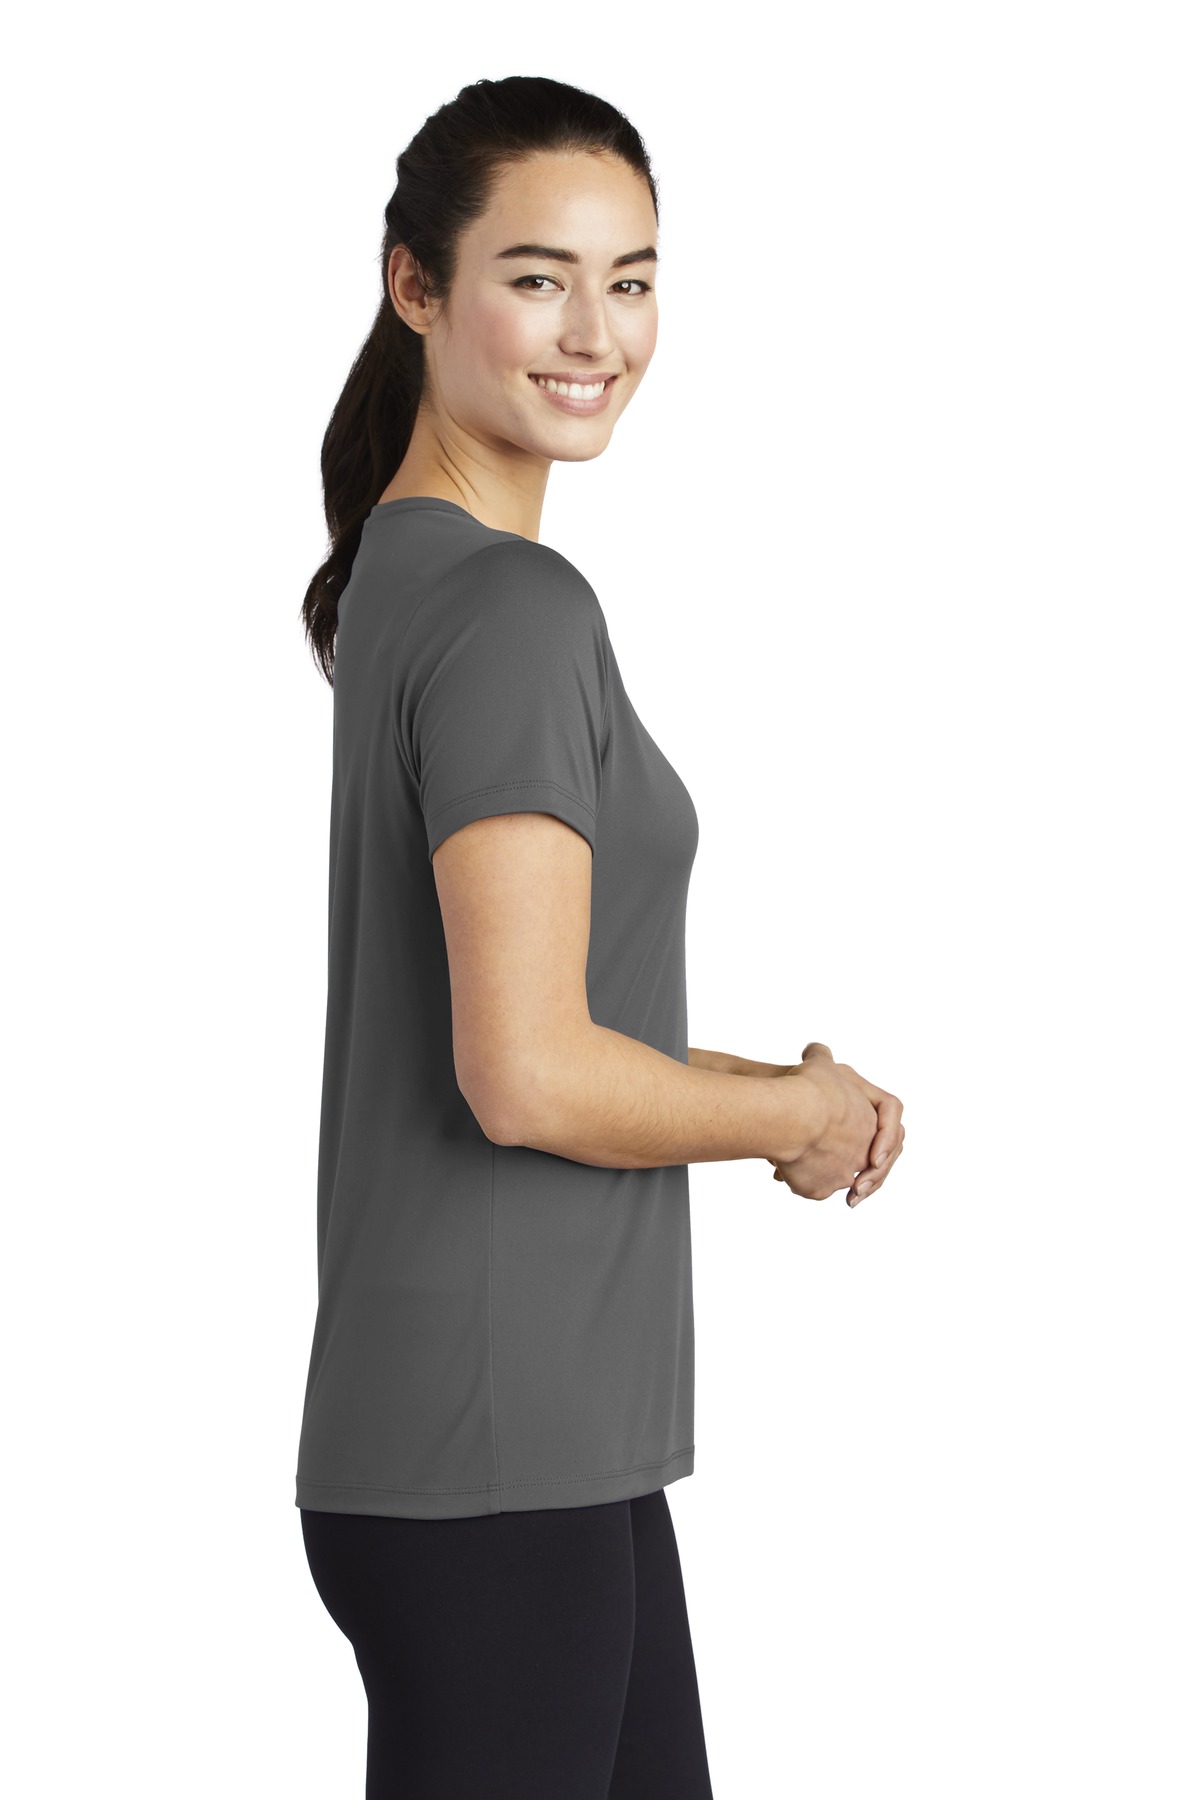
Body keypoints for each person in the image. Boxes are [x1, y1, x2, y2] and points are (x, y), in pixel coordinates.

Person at [294, 74, 905, 1800]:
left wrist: (785, 1089)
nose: (596, 333)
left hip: (527, 1443)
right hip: (499, 1452)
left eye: (630, 280)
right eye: (537, 276)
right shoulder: (510, 605)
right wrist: (787, 1119)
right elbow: (528, 1074)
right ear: (416, 287)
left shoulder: (413, 573)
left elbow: (535, 1016)